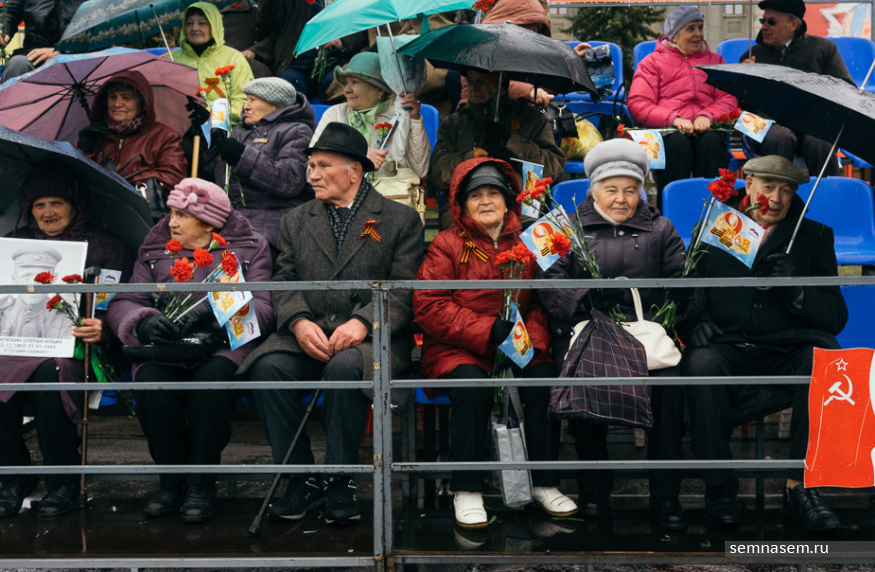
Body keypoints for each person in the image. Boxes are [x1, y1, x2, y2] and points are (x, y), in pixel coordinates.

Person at [240, 122, 423, 526]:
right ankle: (300, 479)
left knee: (345, 368)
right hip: (309, 334)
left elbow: (404, 289)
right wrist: (297, 321)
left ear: (354, 171)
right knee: (268, 368)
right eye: (311, 166)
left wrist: (364, 322)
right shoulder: (296, 219)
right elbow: (285, 280)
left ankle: (341, 480)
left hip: (372, 340)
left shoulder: (399, 220)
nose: (313, 174)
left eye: (324, 166)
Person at [680, 155, 847, 532]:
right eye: (768, 187)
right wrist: (694, 323)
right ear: (749, 182)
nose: (776, 198)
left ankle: (800, 486)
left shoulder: (816, 235)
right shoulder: (714, 225)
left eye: (786, 190)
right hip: (727, 343)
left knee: (824, 362)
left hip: (789, 345)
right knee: (700, 363)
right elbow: (689, 291)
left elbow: (836, 316)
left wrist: (798, 288)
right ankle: (718, 486)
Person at [414, 157, 578, 529]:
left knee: (543, 381)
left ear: (508, 202)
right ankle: (467, 488)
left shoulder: (529, 241)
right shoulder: (446, 244)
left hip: (516, 342)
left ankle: (544, 482)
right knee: (472, 387)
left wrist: (527, 339)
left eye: (493, 193)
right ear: (462, 205)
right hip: (458, 347)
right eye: (476, 195)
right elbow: (429, 305)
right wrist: (488, 330)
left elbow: (542, 301)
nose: (486, 201)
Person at [537, 139, 689, 531]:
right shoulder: (566, 226)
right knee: (585, 379)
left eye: (630, 190)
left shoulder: (661, 228)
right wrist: (585, 297)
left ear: (641, 191)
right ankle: (593, 490)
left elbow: (682, 280)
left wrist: (667, 308)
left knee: (670, 389)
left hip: (645, 334)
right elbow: (550, 281)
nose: (621, 198)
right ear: (594, 191)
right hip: (589, 329)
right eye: (611, 189)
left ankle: (666, 495)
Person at [106, 178, 274, 523]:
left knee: (211, 384)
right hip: (167, 348)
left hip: (222, 345)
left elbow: (264, 307)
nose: (172, 222)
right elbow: (127, 300)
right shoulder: (154, 248)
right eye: (171, 213)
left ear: (209, 221)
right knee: (151, 385)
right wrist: (144, 322)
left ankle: (200, 483)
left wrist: (214, 317)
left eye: (182, 215)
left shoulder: (250, 246)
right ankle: (171, 481)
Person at [0, 160, 131, 520]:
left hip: (80, 348)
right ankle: (12, 476)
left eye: (56, 203)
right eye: (39, 205)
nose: (47, 212)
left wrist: (102, 327)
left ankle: (63, 482)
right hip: (16, 344)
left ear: (75, 204)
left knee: (50, 375)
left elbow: (121, 302)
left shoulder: (107, 246)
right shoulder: (13, 243)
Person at [627, 6, 738, 209]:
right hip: (670, 130)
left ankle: (711, 210)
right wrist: (673, 119)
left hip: (707, 127)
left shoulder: (715, 62)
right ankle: (672, 210)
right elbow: (638, 103)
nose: (698, 34)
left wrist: (707, 115)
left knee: (712, 143)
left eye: (700, 27)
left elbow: (728, 98)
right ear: (674, 35)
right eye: (691, 28)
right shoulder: (652, 63)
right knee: (678, 144)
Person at [431, 68, 565, 229]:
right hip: (464, 215)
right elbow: (438, 174)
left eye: (482, 81)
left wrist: (510, 141)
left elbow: (552, 166)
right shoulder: (453, 124)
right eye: (470, 81)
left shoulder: (531, 119)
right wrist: (473, 157)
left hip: (520, 214)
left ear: (503, 85)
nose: (474, 88)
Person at [739, 0, 854, 176]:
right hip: (761, 124)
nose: (764, 27)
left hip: (811, 121)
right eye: (763, 20)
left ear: (793, 25)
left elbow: (846, 90)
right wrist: (744, 81)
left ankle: (826, 191)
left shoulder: (823, 49)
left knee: (820, 141)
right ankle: (775, 191)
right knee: (779, 136)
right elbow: (740, 108)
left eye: (771, 22)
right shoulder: (751, 55)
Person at [311, 52, 430, 208]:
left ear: (379, 89)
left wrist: (413, 119)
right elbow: (310, 172)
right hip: (342, 205)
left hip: (391, 203)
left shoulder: (400, 116)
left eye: (354, 82)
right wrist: (360, 158)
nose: (346, 90)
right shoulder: (334, 115)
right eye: (346, 83)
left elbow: (419, 171)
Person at [212, 77, 316, 252]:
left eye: (253, 100)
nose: (245, 106)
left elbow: (289, 181)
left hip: (273, 218)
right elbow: (216, 178)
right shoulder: (239, 131)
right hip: (231, 216)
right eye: (246, 100)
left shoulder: (297, 131)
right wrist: (202, 141)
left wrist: (241, 155)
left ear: (276, 105)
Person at [77, 70, 188, 199]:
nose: (117, 104)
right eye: (112, 97)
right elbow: (74, 178)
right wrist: (83, 151)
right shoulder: (96, 135)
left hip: (146, 210)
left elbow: (174, 179)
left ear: (143, 103)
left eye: (126, 98)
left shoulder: (164, 136)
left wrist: (120, 177)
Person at [172, 2, 255, 126]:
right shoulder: (171, 59)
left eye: (202, 23)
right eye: (189, 23)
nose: (194, 28)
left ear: (214, 26)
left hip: (225, 129)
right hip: (181, 128)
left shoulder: (234, 58)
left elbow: (245, 102)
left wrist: (212, 115)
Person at [0, 0, 109, 82]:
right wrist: (4, 29)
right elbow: (9, 13)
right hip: (33, 57)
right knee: (18, 64)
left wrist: (62, 51)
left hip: (79, 60)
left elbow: (103, 35)